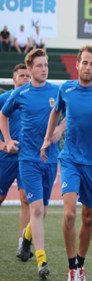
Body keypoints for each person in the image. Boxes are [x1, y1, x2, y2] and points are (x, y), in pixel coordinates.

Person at [40, 45, 92, 281]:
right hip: (70, 158)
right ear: (78, 64)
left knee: (88, 216)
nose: (88, 67)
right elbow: (55, 113)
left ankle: (81, 264)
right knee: (70, 213)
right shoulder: (66, 89)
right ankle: (72, 266)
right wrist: (47, 138)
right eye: (84, 62)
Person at [0, 49, 63, 280]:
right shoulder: (20, 93)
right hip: (27, 159)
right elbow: (3, 115)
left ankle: (26, 240)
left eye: (46, 65)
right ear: (30, 68)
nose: (44, 69)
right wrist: (6, 141)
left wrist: (59, 129)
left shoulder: (57, 91)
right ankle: (41, 260)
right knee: (35, 209)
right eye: (39, 66)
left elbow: (69, 115)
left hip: (51, 159)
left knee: (42, 210)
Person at [0, 64, 31, 257]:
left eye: (28, 75)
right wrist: (4, 145)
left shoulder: (34, 100)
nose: (25, 79)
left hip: (26, 158)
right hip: (5, 157)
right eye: (21, 76)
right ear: (14, 79)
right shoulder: (4, 99)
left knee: (26, 199)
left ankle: (23, 243)